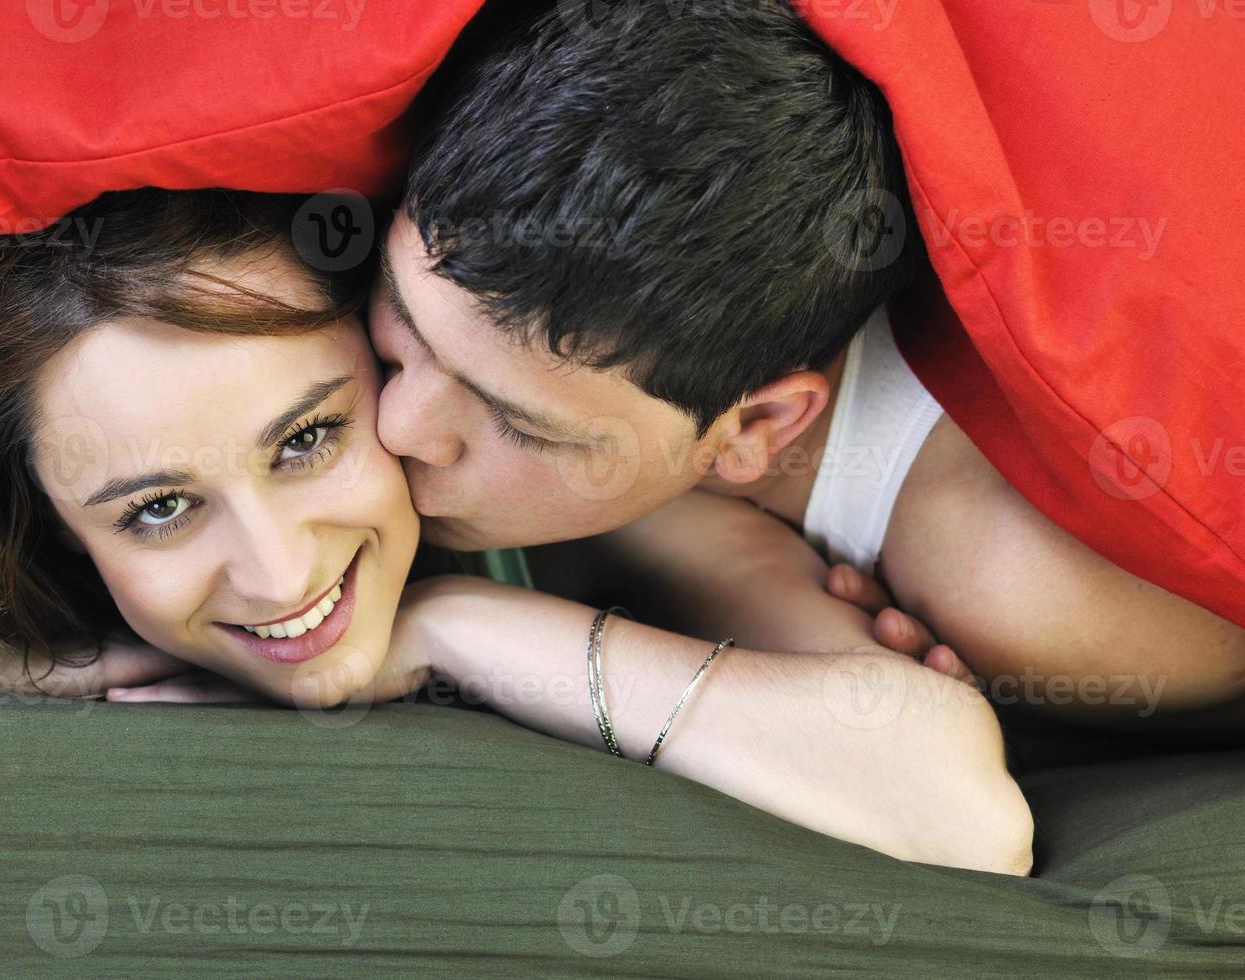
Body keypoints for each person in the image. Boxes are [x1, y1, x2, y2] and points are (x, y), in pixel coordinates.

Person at [0, 187, 1029, 874]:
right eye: (155, 509)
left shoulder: (565, 506)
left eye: (310, 439)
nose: (280, 570)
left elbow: (954, 806)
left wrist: (461, 626)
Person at [368, 0, 1245, 734]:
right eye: (402, 320)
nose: (396, 425)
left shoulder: (1024, 585)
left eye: (518, 423)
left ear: (757, 428)